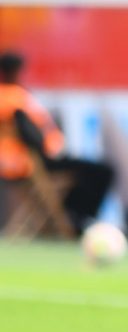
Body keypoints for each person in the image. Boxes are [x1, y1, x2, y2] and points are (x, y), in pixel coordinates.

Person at [0, 51, 114, 234]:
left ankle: (74, 216)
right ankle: (78, 218)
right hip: (33, 163)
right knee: (102, 171)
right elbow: (30, 135)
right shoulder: (16, 99)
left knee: (86, 172)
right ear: (16, 71)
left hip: (12, 164)